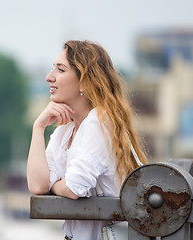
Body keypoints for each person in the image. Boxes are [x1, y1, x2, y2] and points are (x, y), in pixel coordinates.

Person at [26, 40, 147, 240]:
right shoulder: (65, 132)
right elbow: (38, 186)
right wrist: (38, 128)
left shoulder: (99, 122)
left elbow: (74, 188)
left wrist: (54, 185)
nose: (49, 77)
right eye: (52, 68)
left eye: (60, 69)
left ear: (85, 81)